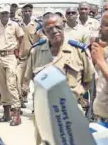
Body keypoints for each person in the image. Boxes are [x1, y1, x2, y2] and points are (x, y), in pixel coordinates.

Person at [25, 13, 94, 144]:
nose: (54, 31)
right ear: (43, 31)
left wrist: (75, 95)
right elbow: (29, 78)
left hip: (70, 110)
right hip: (43, 112)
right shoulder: (36, 51)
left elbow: (89, 79)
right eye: (49, 29)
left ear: (64, 25)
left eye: (57, 27)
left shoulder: (78, 51)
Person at [0, 5, 24, 126]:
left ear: (9, 14)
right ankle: (6, 113)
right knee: (2, 85)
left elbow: (21, 38)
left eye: (6, 14)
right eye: (2, 14)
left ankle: (16, 115)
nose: (4, 16)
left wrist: (18, 51)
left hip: (10, 56)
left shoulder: (14, 25)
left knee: (11, 84)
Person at [17, 3, 41, 108]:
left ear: (32, 12)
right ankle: (20, 100)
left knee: (35, 81)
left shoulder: (36, 25)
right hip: (21, 58)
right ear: (22, 12)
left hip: (33, 57)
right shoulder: (17, 25)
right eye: (25, 11)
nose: (27, 13)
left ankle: (36, 106)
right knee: (18, 79)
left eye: (29, 11)